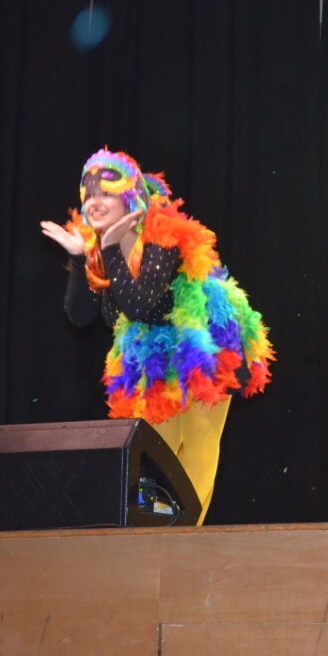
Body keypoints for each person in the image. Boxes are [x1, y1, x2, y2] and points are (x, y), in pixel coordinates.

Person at [40, 148, 274, 524]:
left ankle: (185, 537)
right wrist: (80, 258)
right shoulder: (99, 248)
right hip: (153, 356)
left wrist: (110, 247)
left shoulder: (164, 236)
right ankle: (157, 532)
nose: (94, 201)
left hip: (202, 346)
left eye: (105, 192)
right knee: (155, 452)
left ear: (130, 197)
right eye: (88, 193)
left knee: (197, 445)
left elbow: (139, 304)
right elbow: (81, 317)